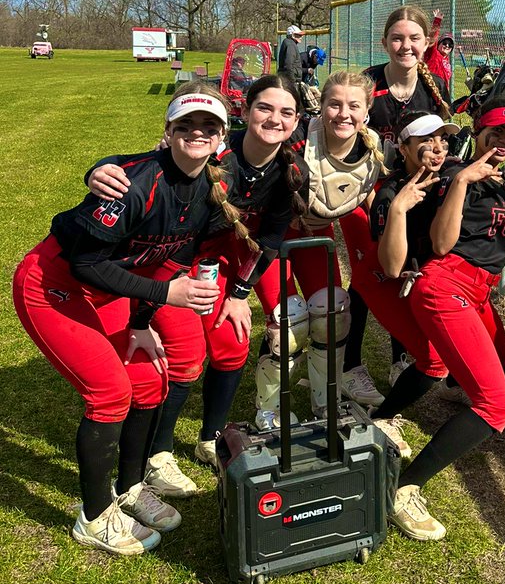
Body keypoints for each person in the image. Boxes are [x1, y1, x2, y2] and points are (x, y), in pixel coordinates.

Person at [12, 91, 233, 556]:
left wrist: (140, 322)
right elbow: (86, 264)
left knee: (151, 378)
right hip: (55, 285)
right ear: (167, 134)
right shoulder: (133, 183)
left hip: (114, 289)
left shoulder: (210, 192)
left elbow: (171, 261)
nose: (198, 133)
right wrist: (164, 296)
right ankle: (93, 517)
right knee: (110, 391)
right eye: (186, 125)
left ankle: (130, 486)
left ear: (220, 139)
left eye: (209, 127)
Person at [86, 78, 309, 497]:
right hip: (173, 262)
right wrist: (98, 168)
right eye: (265, 108)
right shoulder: (214, 147)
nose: (274, 119)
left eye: (286, 112)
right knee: (188, 357)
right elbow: (141, 164)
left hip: (225, 262)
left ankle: (211, 437)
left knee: (233, 341)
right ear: (245, 112)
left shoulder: (293, 171)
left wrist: (241, 295)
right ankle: (159, 452)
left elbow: (273, 239)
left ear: (297, 120)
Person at [392, 99, 505, 542]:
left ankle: (399, 410)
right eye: (497, 133)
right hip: (446, 284)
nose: (504, 143)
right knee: (495, 405)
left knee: (466, 362)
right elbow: (441, 245)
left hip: (477, 292)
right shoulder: (452, 174)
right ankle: (404, 487)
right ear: (477, 132)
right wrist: (463, 179)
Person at [252, 69, 385, 424]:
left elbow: (378, 189)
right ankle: (269, 408)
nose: (344, 114)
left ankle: (324, 400)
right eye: (334, 104)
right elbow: (240, 146)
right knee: (287, 318)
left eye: (353, 105)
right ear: (319, 107)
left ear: (367, 109)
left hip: (314, 235)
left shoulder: (372, 147)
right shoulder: (296, 136)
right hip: (271, 235)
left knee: (332, 312)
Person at [339, 5, 452, 409]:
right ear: (385, 42)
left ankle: (400, 358)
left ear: (427, 43)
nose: (406, 45)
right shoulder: (368, 83)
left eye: (414, 38)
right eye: (397, 38)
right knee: (368, 274)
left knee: (404, 268)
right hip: (362, 192)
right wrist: (372, 196)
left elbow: (438, 142)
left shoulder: (435, 84)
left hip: (407, 191)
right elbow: (345, 139)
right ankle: (349, 365)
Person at [423, 9, 454, 88]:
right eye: (444, 43)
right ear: (439, 44)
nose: (447, 46)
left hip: (441, 93)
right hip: (429, 90)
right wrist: (437, 21)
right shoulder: (433, 53)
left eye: (450, 44)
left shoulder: (446, 60)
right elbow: (432, 37)